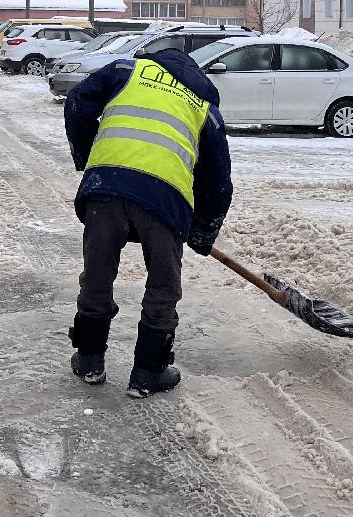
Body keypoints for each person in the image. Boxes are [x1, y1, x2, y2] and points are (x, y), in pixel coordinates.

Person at [63, 46, 232, 398]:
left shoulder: (125, 70)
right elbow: (217, 182)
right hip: (165, 198)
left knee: (97, 272)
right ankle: (148, 371)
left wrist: (88, 157)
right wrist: (202, 231)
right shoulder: (206, 110)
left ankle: (89, 359)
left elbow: (77, 101)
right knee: (163, 284)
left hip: (105, 187)